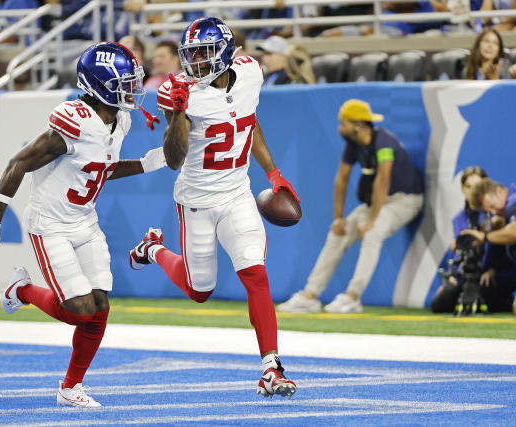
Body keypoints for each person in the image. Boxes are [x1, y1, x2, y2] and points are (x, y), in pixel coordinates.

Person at [0, 42, 166, 407]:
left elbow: (99, 169)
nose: (133, 89)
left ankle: (70, 388)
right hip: (50, 224)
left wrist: (148, 163)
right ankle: (22, 289)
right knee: (78, 309)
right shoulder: (72, 123)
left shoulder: (119, 119)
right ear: (99, 85)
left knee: (100, 307)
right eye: (125, 82)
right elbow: (18, 163)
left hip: (85, 222)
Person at [129, 17, 299, 399]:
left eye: (204, 55)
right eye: (191, 56)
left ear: (225, 54)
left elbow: (249, 123)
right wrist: (176, 116)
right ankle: (152, 249)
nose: (196, 64)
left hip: (237, 193)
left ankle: (271, 368)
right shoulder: (184, 91)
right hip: (197, 201)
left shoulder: (251, 73)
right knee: (200, 290)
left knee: (255, 273)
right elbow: (174, 159)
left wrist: (273, 174)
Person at [278, 99, 424, 314]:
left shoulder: (384, 142)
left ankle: (352, 297)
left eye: (343, 123)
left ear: (358, 125)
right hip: (379, 201)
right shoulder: (353, 145)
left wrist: (372, 221)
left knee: (373, 232)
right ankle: (310, 295)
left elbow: (383, 179)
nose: (339, 128)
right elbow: (341, 179)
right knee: (338, 233)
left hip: (406, 199)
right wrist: (339, 219)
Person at [431, 168, 516, 313]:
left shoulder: (512, 203)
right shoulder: (463, 218)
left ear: (500, 190)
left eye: (492, 206)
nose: (494, 212)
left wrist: (485, 237)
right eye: (489, 210)